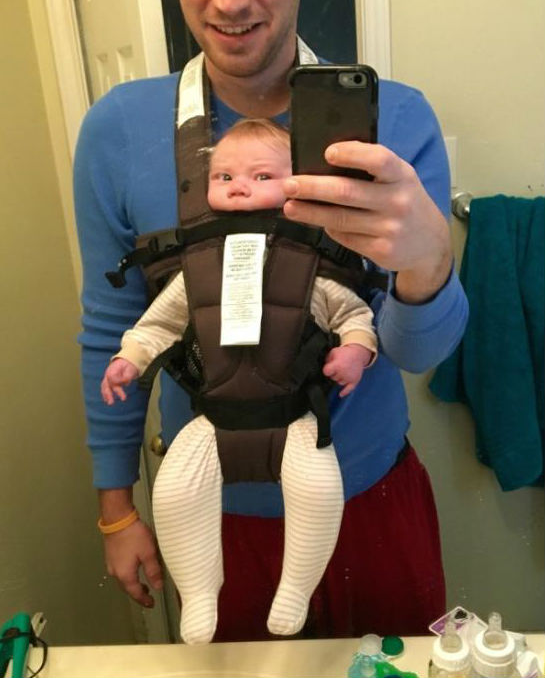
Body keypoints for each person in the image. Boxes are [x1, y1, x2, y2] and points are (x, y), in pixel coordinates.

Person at [73, 0, 468, 639]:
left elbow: (418, 354)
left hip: (369, 504)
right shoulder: (117, 132)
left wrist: (429, 263)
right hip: (210, 524)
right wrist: (115, 508)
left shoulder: (397, 123)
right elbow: (110, 331)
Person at [100, 118, 377, 644]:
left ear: (296, 183)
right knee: (174, 494)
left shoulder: (309, 263)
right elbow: (156, 324)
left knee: (319, 491)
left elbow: (355, 315)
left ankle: (296, 588)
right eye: (223, 176)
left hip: (294, 418)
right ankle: (199, 593)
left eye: (261, 175)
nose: (239, 186)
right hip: (212, 420)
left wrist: (355, 353)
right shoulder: (197, 268)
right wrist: (128, 359)